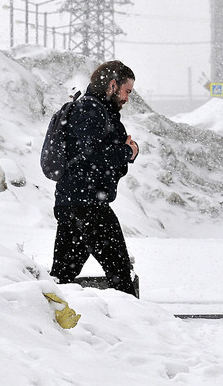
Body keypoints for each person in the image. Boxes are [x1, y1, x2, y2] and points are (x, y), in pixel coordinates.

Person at [50, 60, 139, 297]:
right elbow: (91, 155)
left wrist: (124, 152)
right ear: (112, 85)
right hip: (87, 207)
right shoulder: (89, 110)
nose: (127, 98)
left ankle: (48, 325)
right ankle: (135, 327)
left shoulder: (98, 110)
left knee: (61, 279)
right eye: (126, 91)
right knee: (120, 276)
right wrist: (126, 152)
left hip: (76, 204)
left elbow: (95, 155)